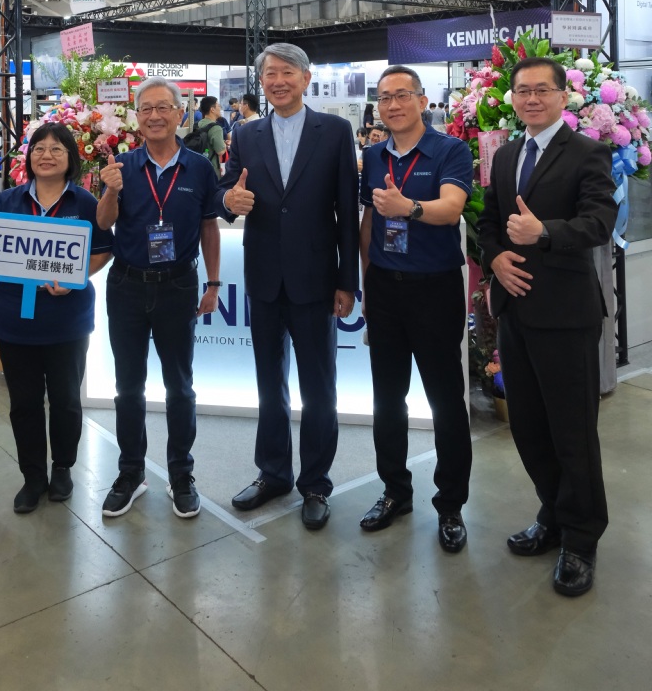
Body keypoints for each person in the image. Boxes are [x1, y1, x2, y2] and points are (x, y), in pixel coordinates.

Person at [478, 56, 617, 597]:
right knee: (530, 428)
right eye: (522, 91)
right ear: (512, 98)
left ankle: (581, 539)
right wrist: (494, 257)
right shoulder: (506, 154)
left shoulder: (587, 152)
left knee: (572, 432)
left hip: (565, 316)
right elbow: (489, 221)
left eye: (542, 90)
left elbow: (599, 222)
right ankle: (553, 515)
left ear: (563, 96)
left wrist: (543, 233)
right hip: (515, 313)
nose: (531, 99)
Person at [218, 43, 359, 530]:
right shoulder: (246, 133)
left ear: (305, 78)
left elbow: (346, 212)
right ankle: (273, 473)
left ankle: (315, 483)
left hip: (315, 279)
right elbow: (226, 189)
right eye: (269, 74)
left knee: (319, 388)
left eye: (286, 72)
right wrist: (229, 200)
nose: (277, 81)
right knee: (269, 383)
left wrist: (346, 281)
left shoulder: (335, 132)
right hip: (262, 277)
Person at [0, 123, 114, 513]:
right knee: (23, 403)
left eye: (57, 149)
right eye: (39, 148)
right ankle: (33, 476)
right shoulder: (8, 201)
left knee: (66, 400)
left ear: (71, 158)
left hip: (67, 322)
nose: (46, 155)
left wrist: (74, 279)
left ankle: (63, 468)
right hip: (16, 322)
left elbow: (104, 250)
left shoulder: (84, 202)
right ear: (29, 157)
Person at [359, 65, 473, 554]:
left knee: (445, 401)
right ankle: (395, 491)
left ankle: (450, 505)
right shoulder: (372, 155)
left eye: (402, 95)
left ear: (422, 101)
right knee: (388, 399)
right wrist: (366, 282)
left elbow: (452, 208)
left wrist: (409, 207)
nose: (393, 105)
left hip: (434, 290)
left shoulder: (450, 150)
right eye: (385, 97)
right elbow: (369, 221)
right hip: (385, 290)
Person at [96, 77, 221, 520]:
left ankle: (181, 474)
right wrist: (111, 189)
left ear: (180, 114)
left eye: (163, 107)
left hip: (178, 286)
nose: (154, 115)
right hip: (127, 285)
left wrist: (213, 284)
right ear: (136, 116)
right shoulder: (122, 165)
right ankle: (131, 472)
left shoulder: (200, 168)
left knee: (180, 387)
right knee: (128, 387)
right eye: (146, 108)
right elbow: (104, 223)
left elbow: (209, 227)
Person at [196, 96, 227, 176]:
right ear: (212, 109)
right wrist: (225, 144)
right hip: (212, 169)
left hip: (198, 167)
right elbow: (220, 151)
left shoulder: (198, 124)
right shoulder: (216, 128)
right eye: (218, 106)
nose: (220, 108)